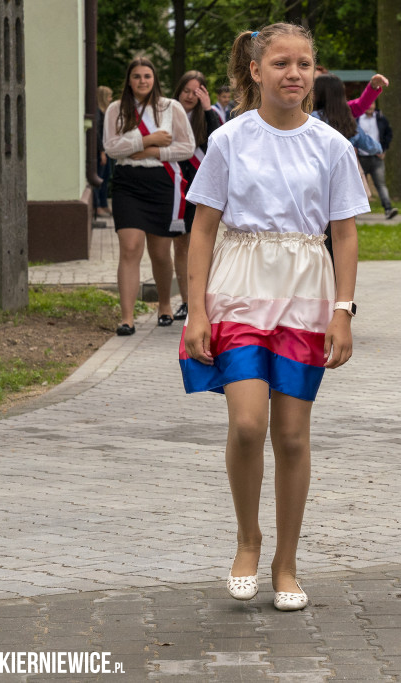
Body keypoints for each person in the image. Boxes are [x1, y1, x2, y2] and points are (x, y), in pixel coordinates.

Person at [180, 23, 368, 611]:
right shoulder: (230, 140)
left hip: (306, 293)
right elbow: (203, 229)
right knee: (246, 425)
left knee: (291, 435)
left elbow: (345, 235)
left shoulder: (333, 146)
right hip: (238, 287)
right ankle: (247, 540)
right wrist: (196, 311)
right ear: (256, 71)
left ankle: (287, 563)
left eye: (304, 64)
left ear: (316, 73)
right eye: (281, 63)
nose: (293, 73)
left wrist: (343, 310)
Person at [104, 57, 195, 335]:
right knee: (130, 247)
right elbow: (111, 148)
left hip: (162, 182)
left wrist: (154, 152)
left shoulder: (171, 107)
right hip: (128, 182)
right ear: (129, 80)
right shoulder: (116, 109)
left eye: (147, 76)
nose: (142, 81)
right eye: (136, 76)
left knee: (160, 252)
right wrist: (148, 139)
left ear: (154, 79)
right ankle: (127, 318)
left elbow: (187, 147)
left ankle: (165, 304)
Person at [171, 70, 221, 322]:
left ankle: (201, 298)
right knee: (180, 244)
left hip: (198, 190)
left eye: (196, 91)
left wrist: (208, 108)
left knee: (198, 243)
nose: (190, 96)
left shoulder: (210, 116)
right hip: (172, 185)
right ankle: (185, 300)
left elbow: (217, 143)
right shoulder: (166, 114)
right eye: (186, 91)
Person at [357, 101, 398, 219]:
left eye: (372, 104)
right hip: (361, 157)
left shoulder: (381, 118)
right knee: (357, 183)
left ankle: (388, 209)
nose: (370, 106)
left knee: (381, 184)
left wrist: (384, 149)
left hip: (376, 157)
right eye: (367, 104)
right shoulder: (357, 119)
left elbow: (388, 134)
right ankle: (354, 211)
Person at [95, 85, 114, 218]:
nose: (111, 99)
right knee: (100, 178)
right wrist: (101, 151)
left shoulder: (105, 112)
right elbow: (97, 134)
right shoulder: (97, 112)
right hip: (100, 151)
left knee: (106, 177)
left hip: (106, 150)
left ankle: (104, 204)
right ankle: (97, 207)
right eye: (109, 96)